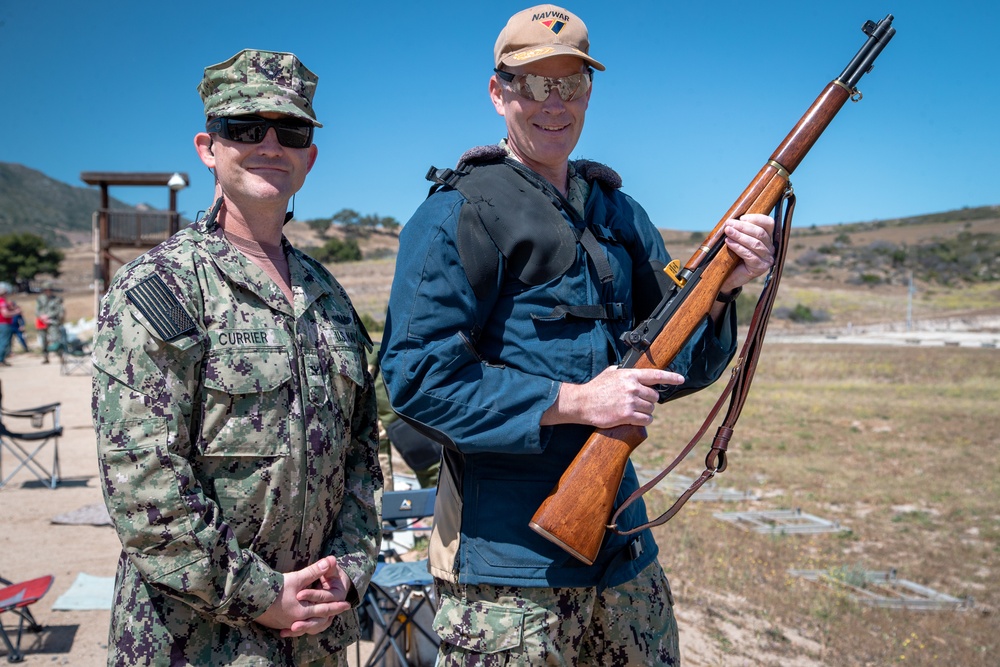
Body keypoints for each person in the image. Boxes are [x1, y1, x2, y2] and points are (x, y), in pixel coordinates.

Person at [378, 6, 776, 665]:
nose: (552, 103)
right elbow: (418, 378)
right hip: (506, 570)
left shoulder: (618, 210)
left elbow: (683, 362)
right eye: (532, 83)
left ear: (590, 91)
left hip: (623, 554)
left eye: (570, 83)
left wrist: (727, 286)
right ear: (497, 92)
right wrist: (577, 401)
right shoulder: (459, 211)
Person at [91, 49, 382, 666]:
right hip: (196, 641)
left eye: (292, 131)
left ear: (310, 156)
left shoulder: (329, 297)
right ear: (208, 147)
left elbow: (362, 453)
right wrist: (260, 595)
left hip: (315, 639)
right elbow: (143, 481)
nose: (270, 144)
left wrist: (349, 571)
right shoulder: (163, 287)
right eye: (246, 128)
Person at [35, 282, 65, 363]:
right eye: (46, 290)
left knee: (56, 339)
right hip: (42, 322)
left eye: (49, 290)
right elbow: (37, 310)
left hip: (53, 322)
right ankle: (45, 357)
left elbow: (59, 310)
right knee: (43, 340)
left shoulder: (56, 299)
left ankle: (60, 356)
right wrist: (42, 317)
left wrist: (48, 316)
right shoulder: (40, 299)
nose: (48, 291)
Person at [0, 283, 20, 366]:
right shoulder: (2, 301)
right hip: (4, 324)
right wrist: (16, 312)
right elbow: (5, 314)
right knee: (4, 342)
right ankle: (1, 359)